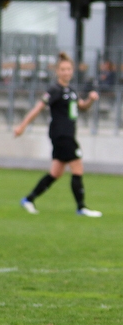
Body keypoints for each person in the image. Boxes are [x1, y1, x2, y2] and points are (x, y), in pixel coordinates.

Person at [15, 51, 101, 218]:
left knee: (56, 173)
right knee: (77, 167)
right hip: (61, 135)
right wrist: (22, 126)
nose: (66, 72)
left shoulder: (71, 90)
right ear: (57, 71)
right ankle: (81, 207)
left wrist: (90, 99)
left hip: (68, 134)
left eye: (69, 69)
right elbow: (38, 108)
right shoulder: (54, 90)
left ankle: (29, 199)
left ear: (72, 70)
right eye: (63, 69)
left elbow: (82, 107)